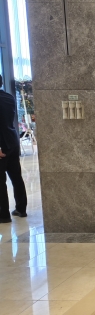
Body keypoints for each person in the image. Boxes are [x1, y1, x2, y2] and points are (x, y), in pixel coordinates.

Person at [0, 75, 27, 223]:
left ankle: (3, 215)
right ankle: (21, 209)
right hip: (13, 141)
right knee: (16, 177)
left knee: (0, 181)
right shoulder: (9, 97)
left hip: (2, 145)